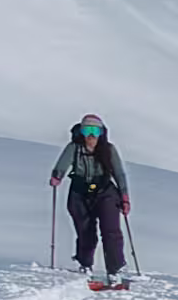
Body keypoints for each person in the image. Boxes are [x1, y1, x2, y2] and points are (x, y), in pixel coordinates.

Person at [52, 115, 132, 284]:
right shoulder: (74, 148)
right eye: (86, 130)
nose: (91, 135)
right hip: (79, 193)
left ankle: (115, 268)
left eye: (95, 131)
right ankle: (85, 264)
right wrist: (57, 176)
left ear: (101, 133)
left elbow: (119, 174)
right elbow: (62, 164)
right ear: (81, 132)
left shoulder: (109, 150)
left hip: (105, 192)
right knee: (85, 230)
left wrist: (124, 197)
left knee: (111, 231)